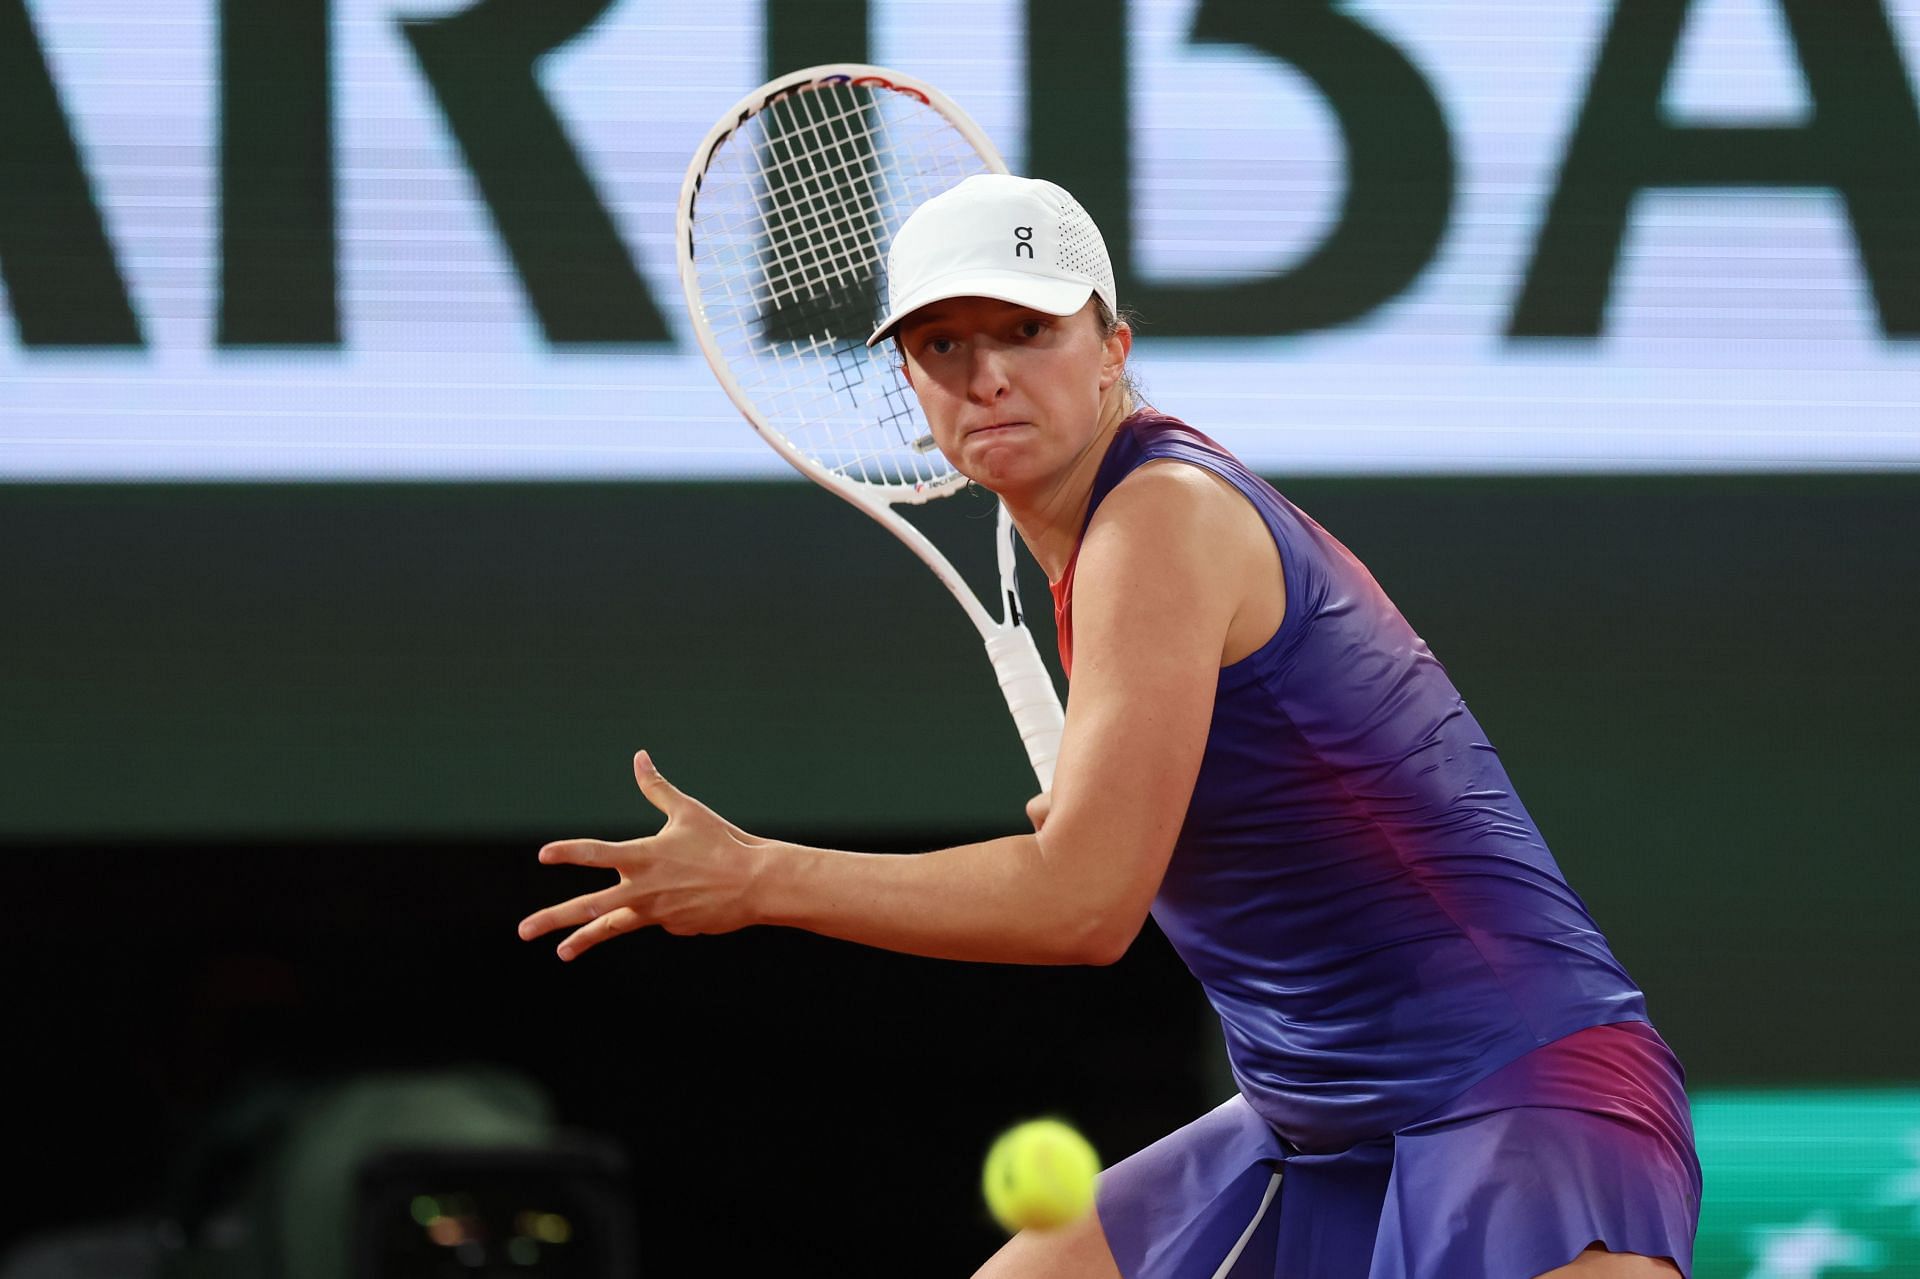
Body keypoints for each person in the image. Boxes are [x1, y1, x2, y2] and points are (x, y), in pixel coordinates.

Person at [518, 174, 1703, 1279]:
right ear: (914, 389)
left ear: (1112, 351)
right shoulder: (1107, 543)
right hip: (1319, 1120)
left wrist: (760, 879)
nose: (986, 375)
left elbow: (1081, 908)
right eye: (944, 345)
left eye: (1029, 331)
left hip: (1516, 1099)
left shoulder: (1162, 519)